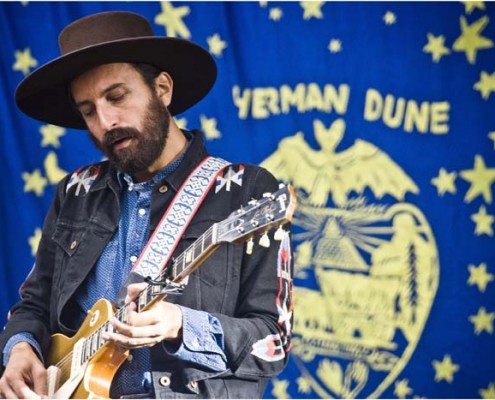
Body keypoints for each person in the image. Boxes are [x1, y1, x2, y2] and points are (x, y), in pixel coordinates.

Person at [0, 11, 293, 399]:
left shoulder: (246, 191)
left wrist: (181, 324)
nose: (105, 122)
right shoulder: (74, 191)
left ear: (163, 89)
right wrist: (20, 347)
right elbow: (33, 304)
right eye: (88, 111)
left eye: (116, 97)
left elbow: (274, 343)